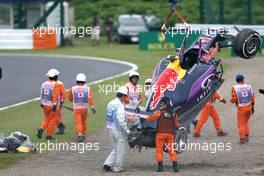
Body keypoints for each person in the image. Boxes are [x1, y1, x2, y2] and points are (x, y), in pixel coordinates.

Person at [146, 97, 179, 172]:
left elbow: (151, 118)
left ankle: (160, 167)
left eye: (161, 103)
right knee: (171, 150)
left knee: (159, 150)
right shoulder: (174, 113)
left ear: (164, 103)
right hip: (170, 134)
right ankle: (175, 167)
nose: (161, 104)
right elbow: (177, 125)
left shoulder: (160, 112)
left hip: (160, 134)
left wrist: (147, 118)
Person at [103, 86, 131, 173]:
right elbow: (121, 119)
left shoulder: (110, 103)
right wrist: (126, 130)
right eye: (125, 96)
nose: (125, 98)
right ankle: (118, 168)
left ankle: (107, 164)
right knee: (120, 150)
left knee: (116, 148)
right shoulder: (120, 105)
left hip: (110, 128)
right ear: (122, 96)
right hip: (118, 130)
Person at [68, 73, 96, 142]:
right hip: (84, 109)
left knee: (78, 122)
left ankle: (79, 134)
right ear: (84, 80)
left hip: (76, 109)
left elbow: (70, 98)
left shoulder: (73, 88)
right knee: (84, 121)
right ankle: (84, 133)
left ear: (76, 80)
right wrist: (92, 107)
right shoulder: (88, 88)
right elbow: (90, 99)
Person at [230, 74, 255, 144]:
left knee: (241, 124)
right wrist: (253, 107)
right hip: (249, 107)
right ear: (243, 80)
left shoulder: (234, 88)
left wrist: (232, 100)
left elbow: (235, 99)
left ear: (236, 80)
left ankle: (242, 138)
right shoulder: (248, 86)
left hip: (241, 108)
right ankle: (246, 134)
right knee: (246, 121)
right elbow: (252, 97)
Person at [37, 69, 61, 140]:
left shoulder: (44, 84)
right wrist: (54, 104)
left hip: (45, 105)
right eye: (57, 76)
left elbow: (41, 93)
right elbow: (55, 95)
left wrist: (41, 102)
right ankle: (49, 135)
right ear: (55, 77)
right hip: (52, 106)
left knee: (47, 118)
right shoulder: (56, 85)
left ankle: (41, 128)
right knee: (52, 120)